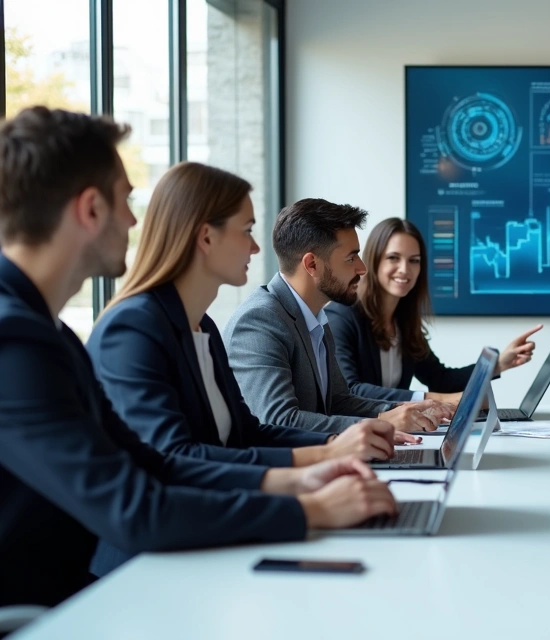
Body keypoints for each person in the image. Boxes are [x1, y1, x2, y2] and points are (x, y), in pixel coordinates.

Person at [0, 107, 396, 608]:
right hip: (67, 607)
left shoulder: (46, 331)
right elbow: (134, 507)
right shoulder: (17, 341)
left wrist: (301, 477)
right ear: (89, 209)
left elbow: (151, 462)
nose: (132, 220)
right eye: (125, 201)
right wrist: (311, 509)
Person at [88, 162, 413, 469]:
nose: (256, 248)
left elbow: (247, 433)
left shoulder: (204, 328)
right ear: (206, 237)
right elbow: (178, 460)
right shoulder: (134, 328)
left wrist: (333, 449)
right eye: (246, 230)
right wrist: (312, 491)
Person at [223, 198, 454, 435]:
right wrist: (384, 422)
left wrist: (399, 410)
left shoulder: (315, 318)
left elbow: (337, 401)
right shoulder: (260, 321)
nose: (362, 268)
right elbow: (279, 420)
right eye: (351, 258)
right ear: (312, 264)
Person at [329, 217, 541, 404]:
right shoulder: (342, 316)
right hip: (355, 437)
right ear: (374, 262)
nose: (405, 269)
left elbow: (440, 379)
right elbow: (350, 390)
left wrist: (498, 364)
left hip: (395, 434)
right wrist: (434, 400)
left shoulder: (403, 321)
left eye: (414, 261)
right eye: (393, 258)